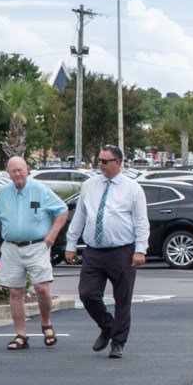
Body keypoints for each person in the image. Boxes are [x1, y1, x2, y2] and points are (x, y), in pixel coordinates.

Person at [66, 145, 149, 359]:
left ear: (117, 162)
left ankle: (118, 342)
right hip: (94, 251)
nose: (99, 164)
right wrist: (70, 244)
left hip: (122, 251)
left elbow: (141, 222)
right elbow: (80, 217)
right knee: (87, 294)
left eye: (104, 161)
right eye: (98, 160)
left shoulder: (132, 188)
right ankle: (107, 326)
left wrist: (140, 250)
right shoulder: (89, 186)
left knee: (122, 299)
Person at [0, 155, 68, 350]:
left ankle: (46, 324)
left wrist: (51, 235)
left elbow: (62, 210)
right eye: (13, 171)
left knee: (42, 289)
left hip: (37, 245)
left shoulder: (40, 190)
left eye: (20, 170)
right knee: (15, 291)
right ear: (8, 174)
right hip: (11, 247)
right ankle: (20, 335)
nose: (17, 174)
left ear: (27, 169)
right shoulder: (3, 193)